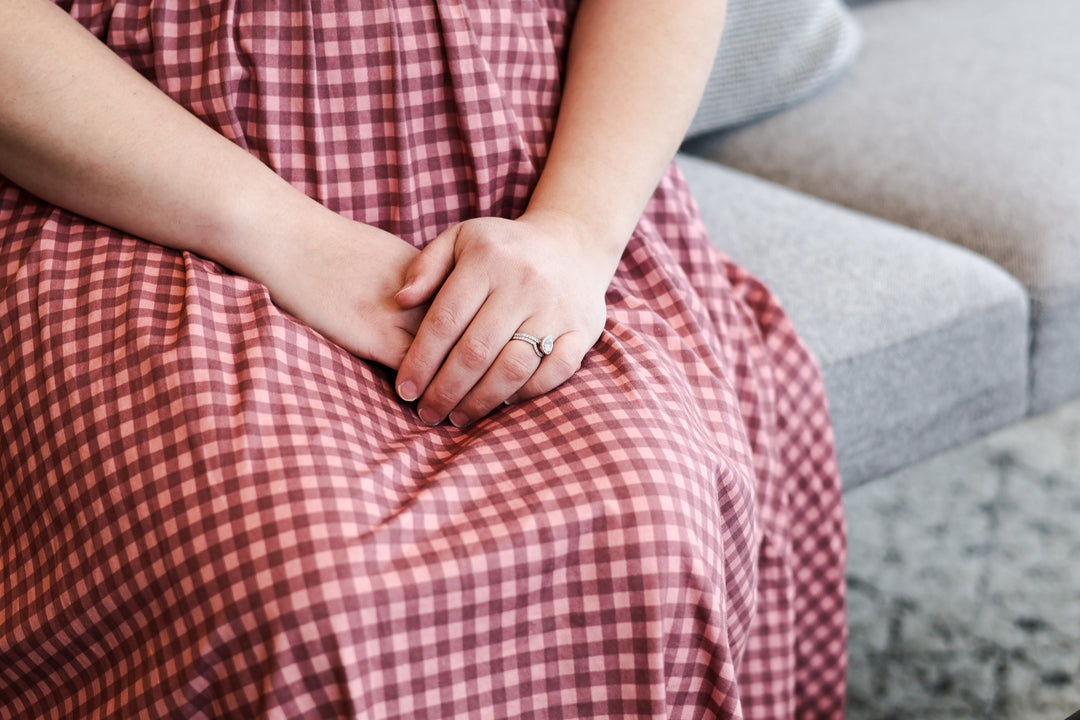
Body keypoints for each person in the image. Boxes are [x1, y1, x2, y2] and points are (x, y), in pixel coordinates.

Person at [0, 0, 847, 717]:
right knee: (292, 590)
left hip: (529, 166)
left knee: (647, 528)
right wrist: (291, 239)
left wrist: (577, 233)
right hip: (140, 167)